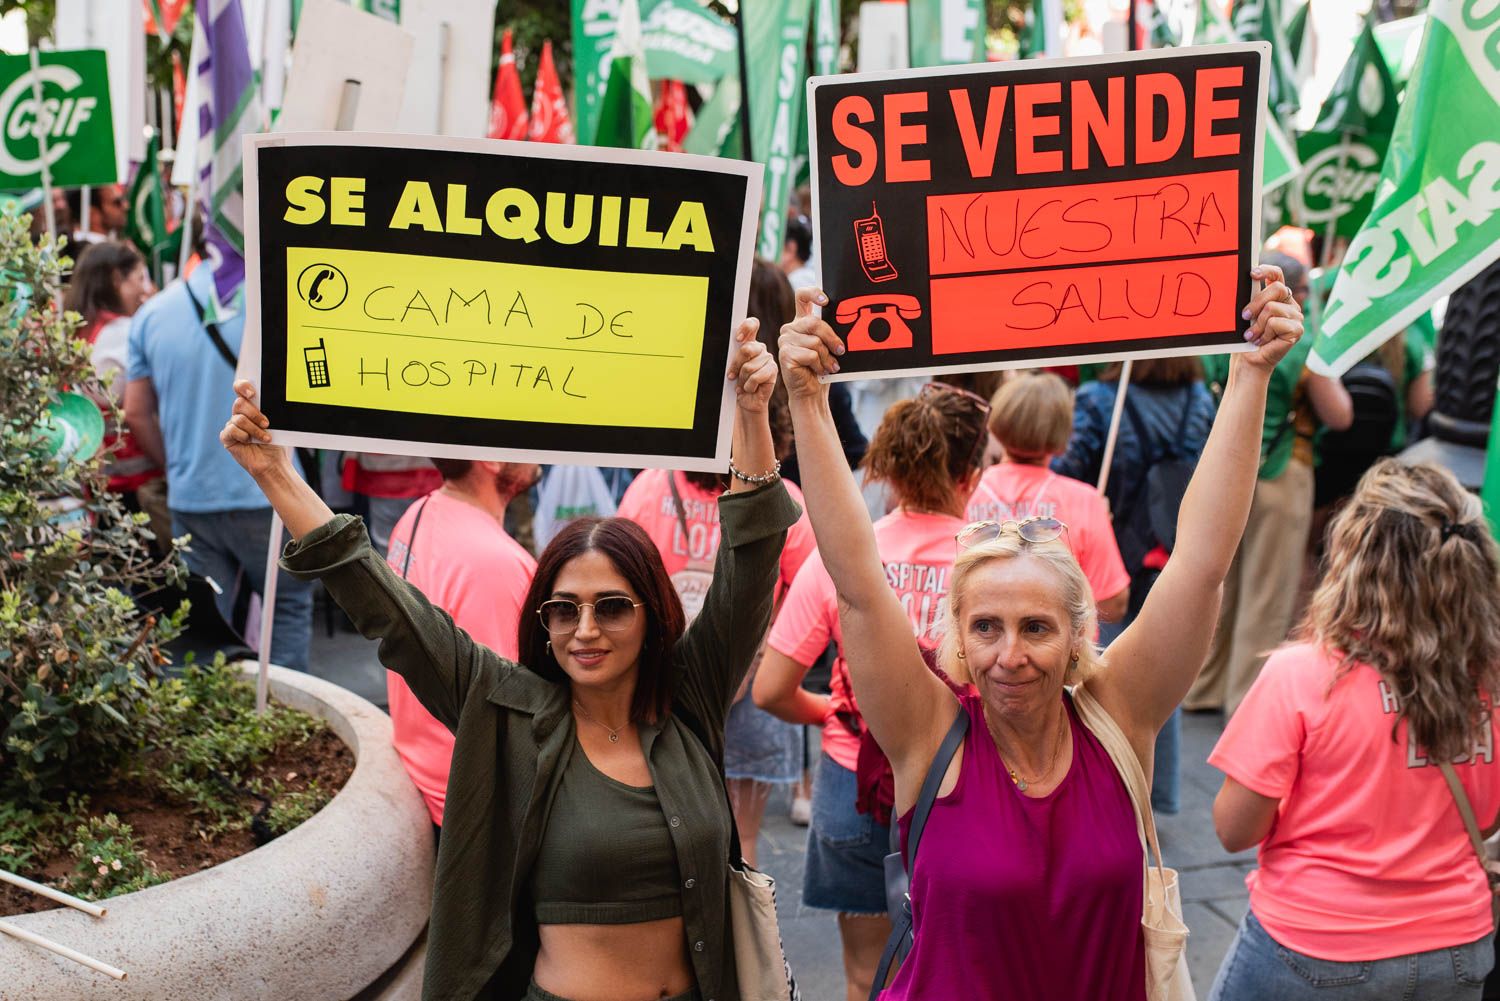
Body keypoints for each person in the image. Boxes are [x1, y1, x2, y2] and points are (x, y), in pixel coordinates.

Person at [219, 320, 797, 1001]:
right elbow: (378, 597)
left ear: (653, 614)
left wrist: (753, 411)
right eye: (563, 609)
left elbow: (753, 557)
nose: (585, 630)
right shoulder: (510, 711)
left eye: (611, 606)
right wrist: (273, 471)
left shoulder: (690, 697)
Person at [776, 268, 1301, 1001]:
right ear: (957, 632)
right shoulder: (928, 731)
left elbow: (1202, 563)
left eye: (1037, 627)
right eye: (985, 626)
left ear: (1080, 632)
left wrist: (1251, 374)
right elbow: (859, 581)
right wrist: (806, 397)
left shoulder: (1120, 714)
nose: (1009, 654)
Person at [1207, 459, 1500, 1001]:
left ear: (1356, 558)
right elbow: (1485, 822)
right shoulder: (1487, 678)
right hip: (1457, 946)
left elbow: (1234, 829)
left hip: (1316, 945)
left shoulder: (1303, 673)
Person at [754, 381, 990, 1001]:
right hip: (970, 787)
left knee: (866, 976)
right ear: (971, 474)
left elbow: (771, 688)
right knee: (965, 966)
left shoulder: (846, 556)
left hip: (851, 781)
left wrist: (833, 710)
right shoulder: (993, 565)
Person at [617, 260, 816, 868]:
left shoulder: (647, 487)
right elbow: (806, 598)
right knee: (744, 847)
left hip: (666, 685)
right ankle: (744, 951)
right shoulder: (790, 507)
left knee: (672, 831)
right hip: (753, 692)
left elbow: (623, 579)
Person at [125, 264, 314, 671]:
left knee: (206, 625)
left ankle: (208, 718)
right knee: (287, 608)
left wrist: (173, 464)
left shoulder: (153, 313)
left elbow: (136, 412)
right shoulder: (279, 298)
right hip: (271, 494)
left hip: (192, 495)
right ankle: (282, 715)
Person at [1191, 252, 1353, 717]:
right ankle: (1245, 697)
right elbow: (1339, 414)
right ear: (1295, 292)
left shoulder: (1218, 334)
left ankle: (1203, 684)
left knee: (1217, 581)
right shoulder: (1299, 342)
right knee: (1268, 590)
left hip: (1225, 468)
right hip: (1284, 471)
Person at [384, 457, 541, 830]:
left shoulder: (417, 513)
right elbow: (512, 709)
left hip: (428, 775)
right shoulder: (495, 562)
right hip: (475, 806)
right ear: (491, 458)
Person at [967, 372, 1130, 626]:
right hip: (1062, 652)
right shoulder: (1085, 500)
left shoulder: (964, 491)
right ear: (1063, 436)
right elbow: (1113, 602)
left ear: (996, 426)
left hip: (978, 644)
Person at [65, 241, 169, 547]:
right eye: (139, 279)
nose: (146, 290)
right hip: (139, 486)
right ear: (115, 279)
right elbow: (139, 412)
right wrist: (167, 464)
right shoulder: (124, 333)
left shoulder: (76, 331)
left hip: (97, 487)